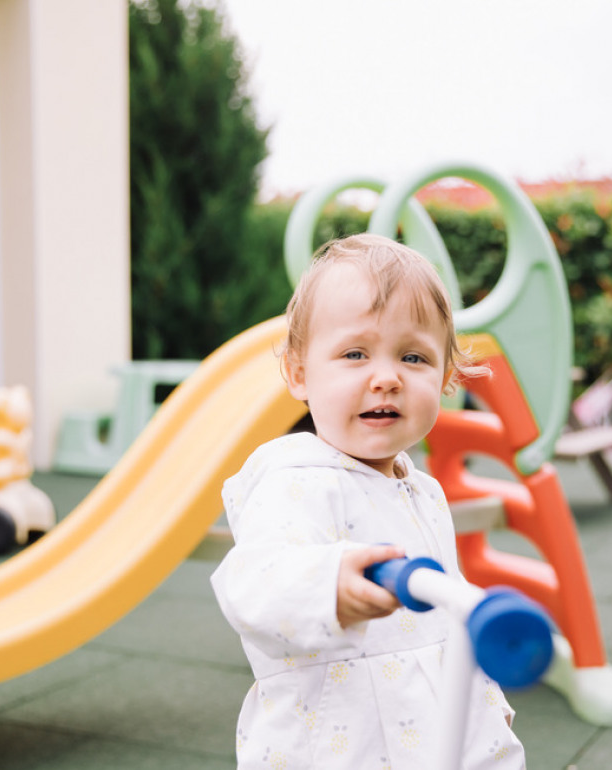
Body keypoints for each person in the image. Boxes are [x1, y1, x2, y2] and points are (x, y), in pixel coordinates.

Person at [211, 233, 525, 769]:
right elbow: (252, 584)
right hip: (338, 743)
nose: (386, 378)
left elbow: (444, 622)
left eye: (413, 357)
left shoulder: (423, 492)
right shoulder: (296, 480)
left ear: (447, 378)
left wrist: (483, 705)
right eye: (355, 354)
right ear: (299, 372)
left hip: (432, 738)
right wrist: (327, 583)